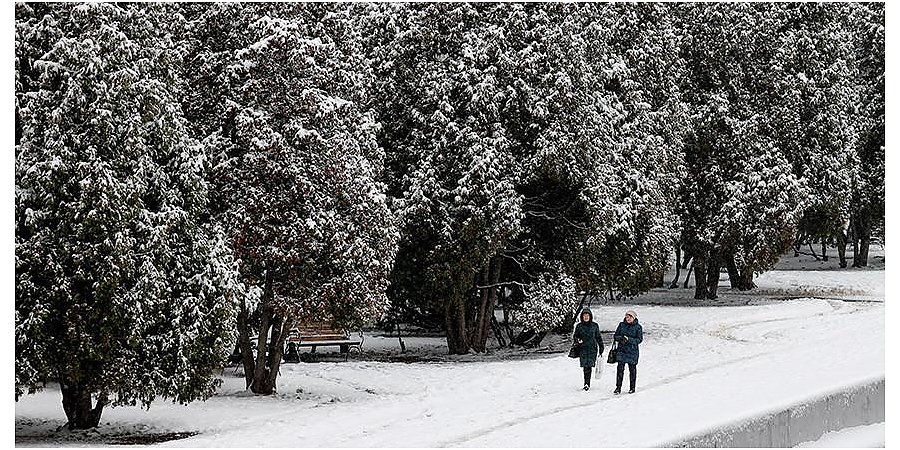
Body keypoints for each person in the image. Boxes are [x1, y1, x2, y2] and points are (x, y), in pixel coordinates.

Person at [573, 308, 604, 391]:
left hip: (592, 348)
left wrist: (601, 346)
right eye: (584, 316)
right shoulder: (579, 326)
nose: (586, 317)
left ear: (590, 316)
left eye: (587, 315)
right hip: (582, 348)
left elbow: (598, 337)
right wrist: (578, 340)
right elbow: (575, 336)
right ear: (582, 317)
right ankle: (586, 383)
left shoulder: (594, 325)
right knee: (585, 366)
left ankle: (587, 383)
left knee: (589, 365)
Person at [613, 310, 643, 394]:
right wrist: (621, 338)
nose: (628, 318)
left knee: (632, 370)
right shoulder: (621, 325)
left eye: (630, 317)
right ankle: (618, 387)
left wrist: (629, 339)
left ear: (634, 318)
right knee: (620, 370)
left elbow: (639, 339)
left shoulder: (638, 327)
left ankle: (632, 388)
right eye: (627, 317)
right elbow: (615, 336)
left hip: (632, 351)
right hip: (622, 350)